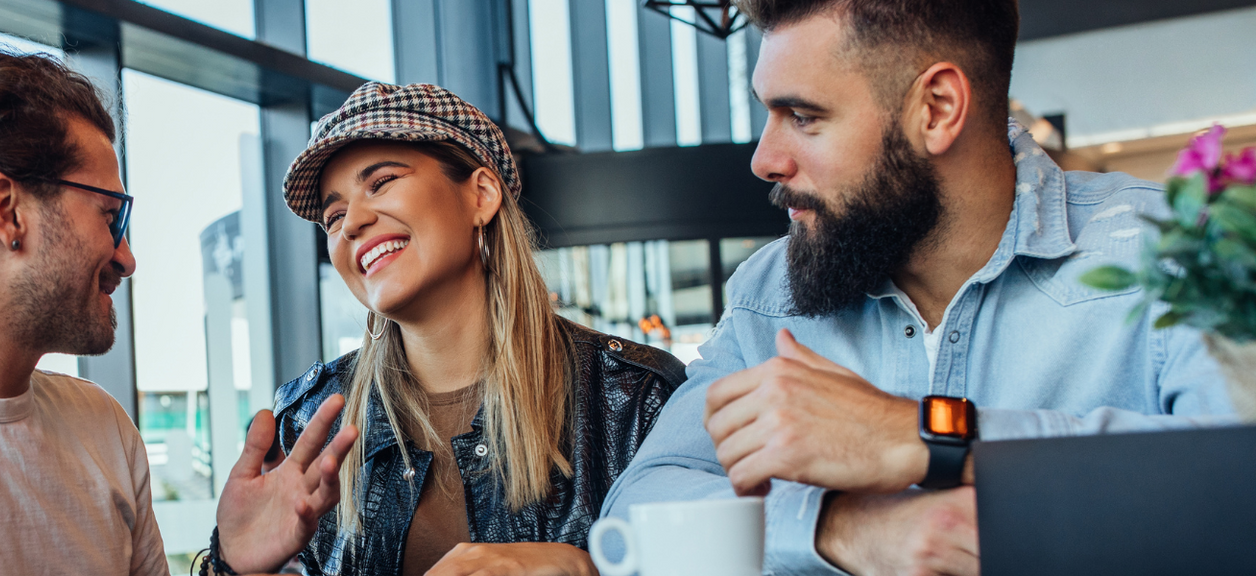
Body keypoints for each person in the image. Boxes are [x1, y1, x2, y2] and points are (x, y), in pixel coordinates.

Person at [602, 1, 1236, 574]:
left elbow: (1237, 483)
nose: (764, 160)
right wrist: (841, 527)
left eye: (803, 116)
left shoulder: (1177, 249)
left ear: (936, 109)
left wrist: (927, 437)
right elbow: (641, 505)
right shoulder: (768, 293)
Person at [0, 44, 357, 576]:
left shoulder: (101, 427)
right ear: (8, 209)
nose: (127, 258)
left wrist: (233, 566)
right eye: (111, 216)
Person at [201, 82, 686, 576]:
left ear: (481, 194)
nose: (351, 225)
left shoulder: (634, 395)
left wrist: (589, 569)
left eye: (382, 181)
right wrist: (233, 567)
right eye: (334, 216)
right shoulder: (309, 422)